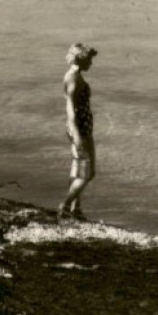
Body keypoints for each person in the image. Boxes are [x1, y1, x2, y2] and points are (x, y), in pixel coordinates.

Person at [59, 43, 100, 221]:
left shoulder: (74, 76)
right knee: (87, 173)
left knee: (78, 171)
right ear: (81, 59)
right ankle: (65, 206)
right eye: (89, 60)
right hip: (79, 130)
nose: (91, 63)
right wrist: (77, 136)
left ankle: (76, 209)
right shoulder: (73, 79)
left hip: (81, 129)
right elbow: (70, 110)